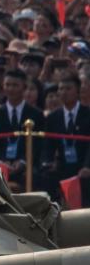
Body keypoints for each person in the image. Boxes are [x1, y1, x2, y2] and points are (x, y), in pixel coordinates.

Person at [0, 69, 45, 193]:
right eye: (8, 85)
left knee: (35, 175)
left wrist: (23, 161)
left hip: (26, 165)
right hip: (1, 163)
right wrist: (2, 161)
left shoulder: (36, 114)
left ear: (23, 88)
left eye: (15, 85)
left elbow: (37, 145)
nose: (11, 89)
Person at [42, 74, 90, 204]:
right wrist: (48, 161)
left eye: (68, 88)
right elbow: (49, 144)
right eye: (61, 89)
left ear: (78, 91)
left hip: (83, 164)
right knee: (45, 176)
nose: (63, 92)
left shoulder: (88, 114)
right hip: (62, 164)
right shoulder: (53, 117)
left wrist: (87, 166)